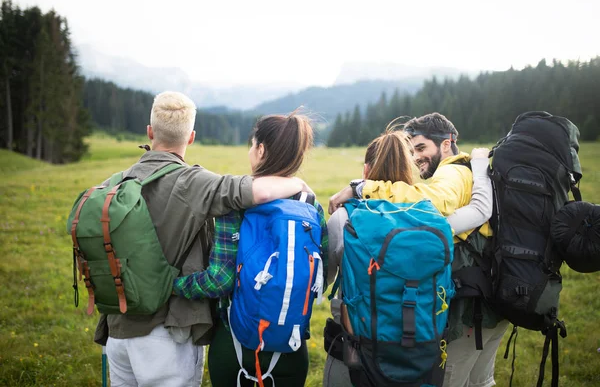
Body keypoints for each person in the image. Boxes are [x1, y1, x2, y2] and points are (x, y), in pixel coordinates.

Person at [95, 92, 311, 387]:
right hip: (167, 336)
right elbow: (254, 193)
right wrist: (298, 184)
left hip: (117, 332)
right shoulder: (197, 183)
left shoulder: (113, 183)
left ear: (149, 132)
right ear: (191, 137)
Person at [328, 113, 508, 387]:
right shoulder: (436, 215)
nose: (417, 157)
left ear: (447, 144)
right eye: (412, 152)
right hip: (485, 301)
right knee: (482, 381)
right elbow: (478, 211)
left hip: (468, 309)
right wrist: (481, 167)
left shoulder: (451, 172)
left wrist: (362, 187)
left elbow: (438, 200)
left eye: (421, 148)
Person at [173, 111, 328, 387]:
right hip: (291, 346)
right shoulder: (310, 206)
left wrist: (176, 285)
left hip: (234, 345)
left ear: (261, 149)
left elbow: (220, 279)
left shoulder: (236, 203)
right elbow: (320, 277)